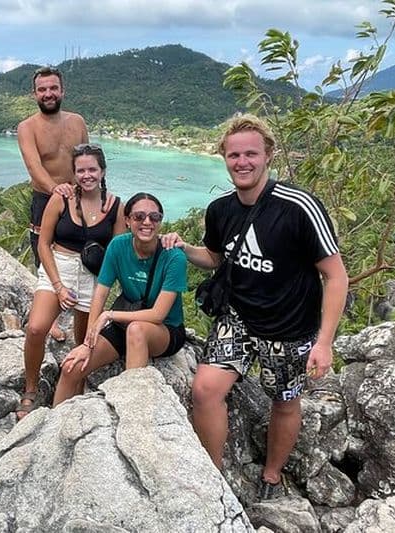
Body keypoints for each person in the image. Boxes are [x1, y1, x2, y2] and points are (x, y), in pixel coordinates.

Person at [162, 113, 348, 500]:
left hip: (289, 327)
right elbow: (216, 257)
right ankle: (213, 477)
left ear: (268, 156)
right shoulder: (221, 209)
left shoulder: (299, 206)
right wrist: (184, 248)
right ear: (224, 158)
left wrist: (325, 342)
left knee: (284, 402)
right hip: (238, 318)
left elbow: (335, 275)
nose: (242, 162)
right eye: (234, 155)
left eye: (251, 154)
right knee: (205, 391)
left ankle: (272, 474)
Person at [18, 144, 124, 419]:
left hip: (93, 275)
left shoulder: (115, 206)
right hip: (59, 266)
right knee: (36, 328)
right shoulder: (61, 199)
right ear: (73, 173)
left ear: (102, 171)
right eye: (81, 170)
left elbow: (117, 251)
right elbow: (43, 244)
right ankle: (31, 388)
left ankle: (75, 389)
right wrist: (58, 286)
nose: (87, 175)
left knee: (84, 340)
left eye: (92, 169)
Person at [53, 193, 188, 405]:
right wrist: (88, 343)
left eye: (154, 217)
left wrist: (109, 315)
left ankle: (131, 409)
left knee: (137, 329)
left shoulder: (174, 257)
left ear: (160, 221)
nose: (147, 222)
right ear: (127, 220)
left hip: (164, 330)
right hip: (125, 324)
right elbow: (100, 294)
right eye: (139, 216)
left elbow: (158, 314)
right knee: (71, 366)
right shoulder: (118, 246)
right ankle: (54, 423)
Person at [17, 67, 88, 342]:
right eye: (42, 89)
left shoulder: (77, 122)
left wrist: (94, 192)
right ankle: (51, 319)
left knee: (82, 253)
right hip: (46, 198)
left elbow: (87, 160)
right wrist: (56, 190)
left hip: (78, 198)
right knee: (44, 252)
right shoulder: (27, 127)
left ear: (62, 90)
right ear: (34, 94)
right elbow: (33, 165)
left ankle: (83, 313)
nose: (48, 94)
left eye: (53, 88)